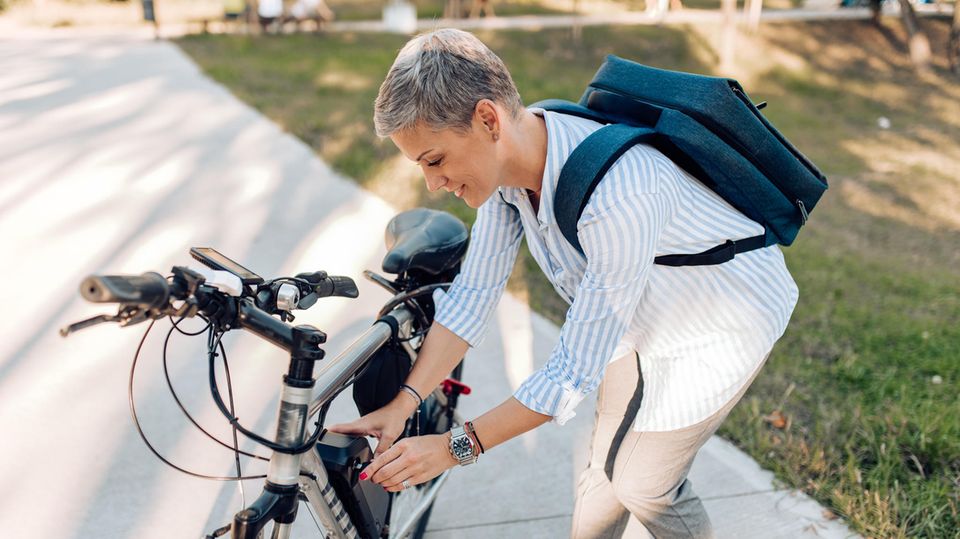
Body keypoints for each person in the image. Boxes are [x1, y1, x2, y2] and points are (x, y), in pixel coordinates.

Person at [329, 28, 798, 538]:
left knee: (642, 482)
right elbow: (471, 299)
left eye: (435, 160)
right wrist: (403, 404)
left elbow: (570, 374)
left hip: (721, 322)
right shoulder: (509, 176)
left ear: (488, 119)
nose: (433, 184)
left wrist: (454, 447)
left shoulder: (620, 193)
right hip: (639, 317)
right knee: (602, 469)